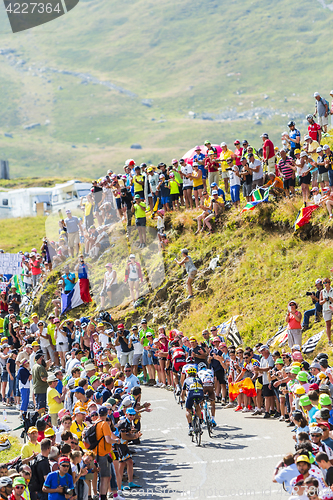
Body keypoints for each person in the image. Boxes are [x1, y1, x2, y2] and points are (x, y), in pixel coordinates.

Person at [180, 366, 204, 436]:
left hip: (191, 394)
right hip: (200, 393)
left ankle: (190, 426)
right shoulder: (199, 379)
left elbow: (182, 393)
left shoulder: (186, 380)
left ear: (188, 375)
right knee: (197, 405)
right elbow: (202, 388)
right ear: (196, 374)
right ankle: (200, 423)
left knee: (188, 410)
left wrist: (182, 400)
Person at [319, 278, 333, 344]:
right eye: (323, 283)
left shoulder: (332, 290)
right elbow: (320, 302)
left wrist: (331, 299)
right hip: (326, 309)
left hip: (332, 307)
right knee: (328, 325)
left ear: (329, 283)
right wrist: (324, 300)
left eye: (326, 283)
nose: (325, 284)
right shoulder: (322, 291)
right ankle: (329, 340)